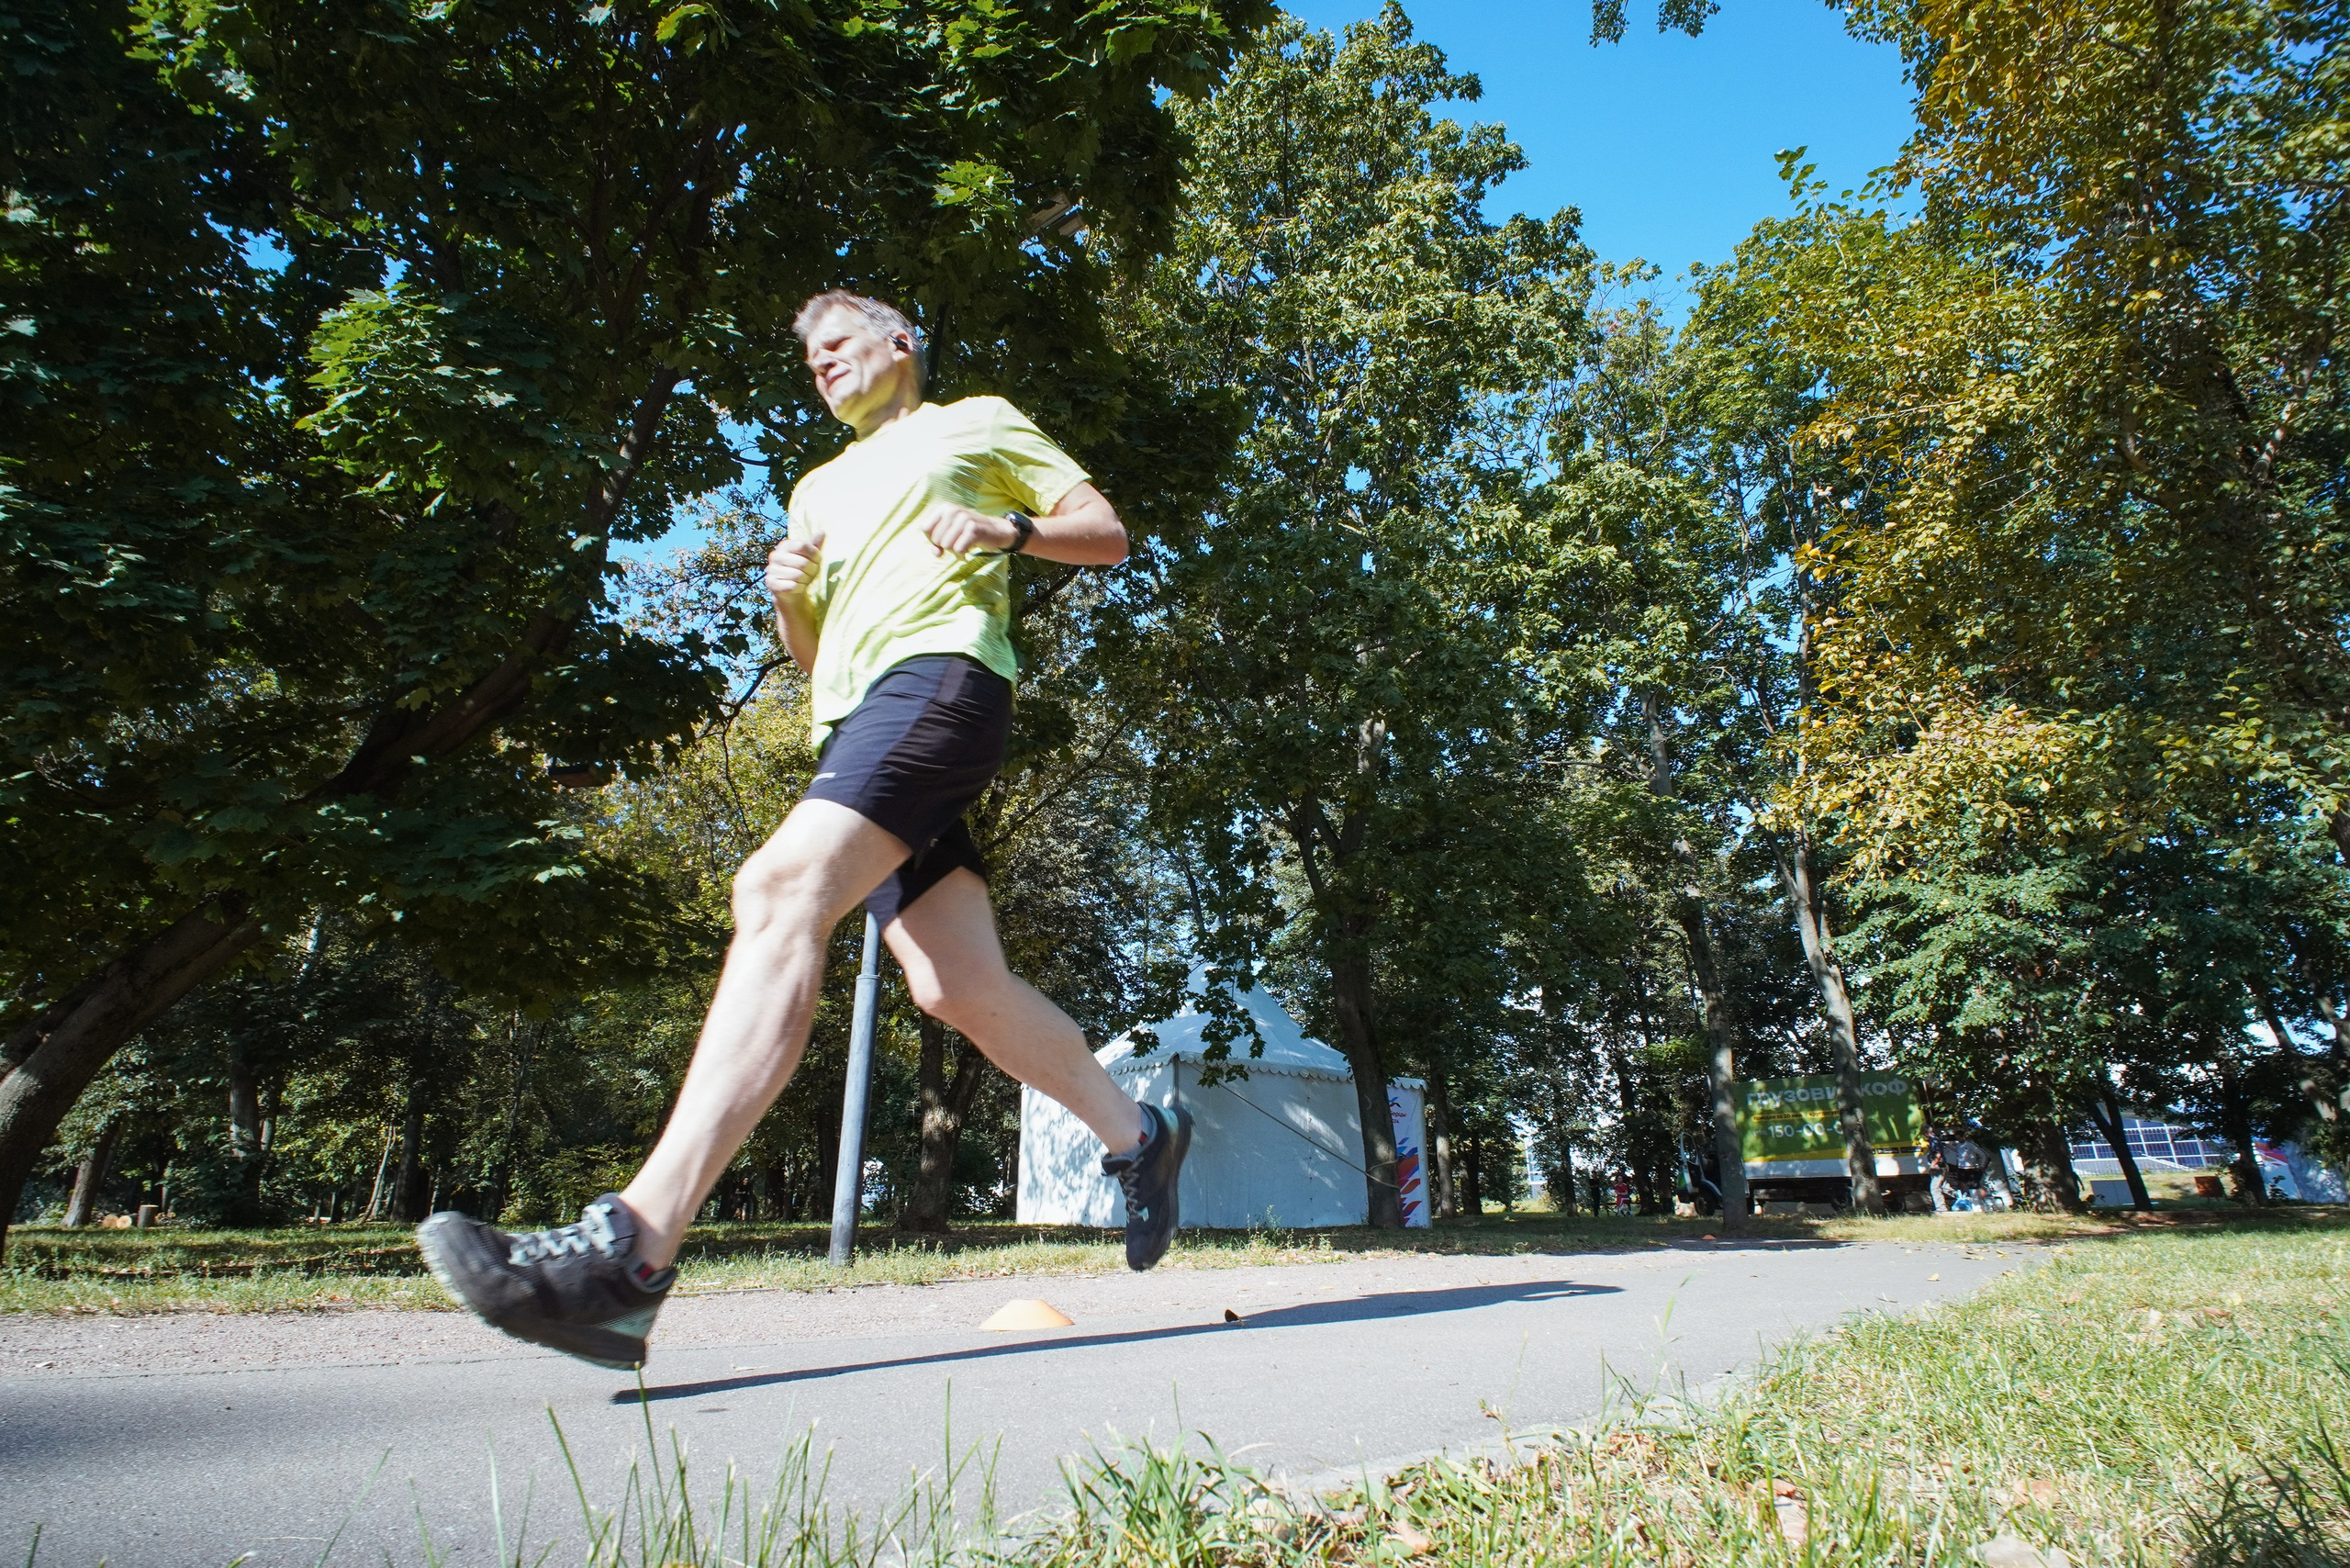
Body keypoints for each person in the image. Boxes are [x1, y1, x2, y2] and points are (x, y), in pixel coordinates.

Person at [416, 290, 1193, 1369]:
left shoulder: (975, 421)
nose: (820, 365)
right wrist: (789, 593)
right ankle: (1139, 1138)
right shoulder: (815, 484)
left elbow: (1104, 534)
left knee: (777, 892)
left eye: (837, 344)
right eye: (809, 359)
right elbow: (811, 656)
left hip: (942, 682)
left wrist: (1004, 527)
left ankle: (626, 1257)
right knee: (954, 985)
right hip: (858, 712)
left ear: (901, 341)